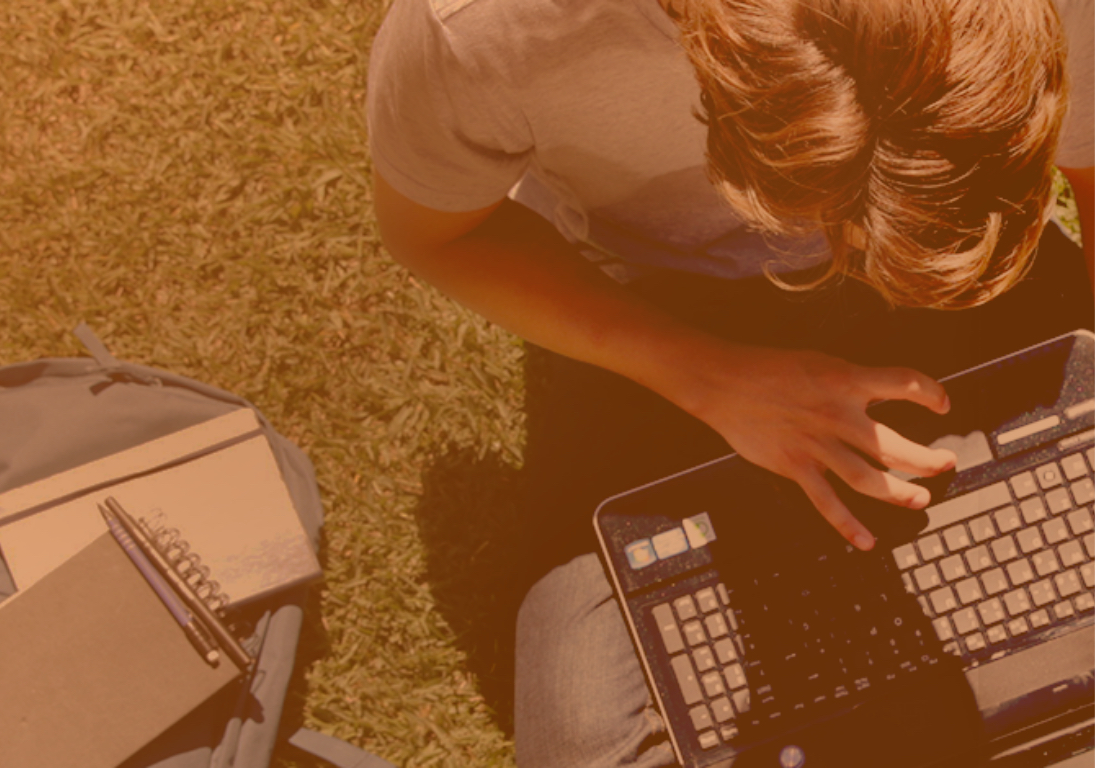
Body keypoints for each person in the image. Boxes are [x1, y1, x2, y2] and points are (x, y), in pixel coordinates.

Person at [365, 0, 1093, 765]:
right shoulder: (475, 27)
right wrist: (708, 377)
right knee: (587, 746)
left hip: (957, 267)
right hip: (652, 314)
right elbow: (435, 233)